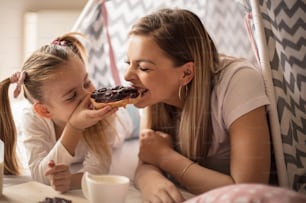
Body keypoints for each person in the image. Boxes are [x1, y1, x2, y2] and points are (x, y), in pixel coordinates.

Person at [124, 8, 272, 202]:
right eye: (128, 63)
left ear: (186, 73)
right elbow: (148, 155)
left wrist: (166, 158)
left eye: (143, 68)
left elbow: (249, 188)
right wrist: (149, 179)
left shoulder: (239, 81)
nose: (127, 76)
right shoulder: (153, 94)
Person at [0, 32, 134, 193]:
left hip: (127, 119)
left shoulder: (105, 116)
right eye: (72, 96)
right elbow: (39, 175)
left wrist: (74, 127)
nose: (87, 96)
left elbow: (97, 172)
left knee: (135, 112)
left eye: (87, 82)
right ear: (44, 110)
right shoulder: (32, 118)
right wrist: (74, 127)